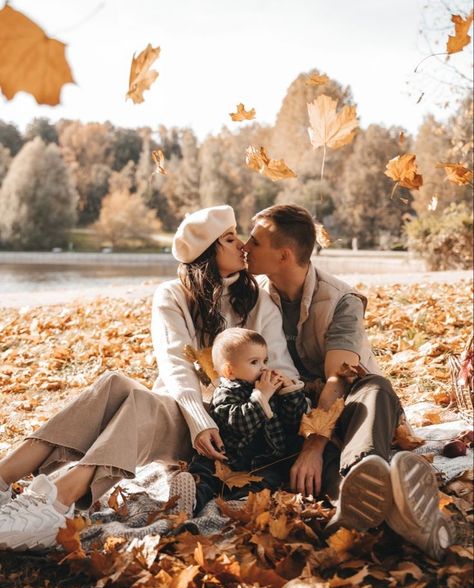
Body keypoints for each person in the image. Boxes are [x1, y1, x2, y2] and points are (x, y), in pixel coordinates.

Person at [0, 205, 300, 550]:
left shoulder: (258, 297)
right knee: (114, 382)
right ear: (207, 251)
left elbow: (280, 364)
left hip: (230, 426)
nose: (243, 245)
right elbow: (175, 365)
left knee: (140, 402)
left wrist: (277, 391)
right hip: (193, 418)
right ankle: (3, 479)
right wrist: (199, 420)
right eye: (231, 239)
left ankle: (58, 502)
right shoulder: (173, 295)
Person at [243, 203, 454, 560]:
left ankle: (362, 471)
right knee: (308, 449)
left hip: (352, 402)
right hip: (297, 407)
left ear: (283, 255)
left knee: (376, 388)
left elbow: (338, 378)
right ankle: (386, 507)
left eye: (254, 241)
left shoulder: (341, 299)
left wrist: (313, 447)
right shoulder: (253, 296)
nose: (245, 246)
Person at [169, 327, 308, 517]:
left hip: (264, 461)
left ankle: (243, 502)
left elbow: (293, 421)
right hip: (229, 460)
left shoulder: (266, 387)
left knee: (270, 479)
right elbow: (239, 424)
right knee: (206, 472)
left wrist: (289, 392)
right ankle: (188, 497)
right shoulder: (227, 392)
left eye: (265, 360)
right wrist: (260, 398)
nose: (264, 367)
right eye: (254, 362)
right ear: (229, 371)